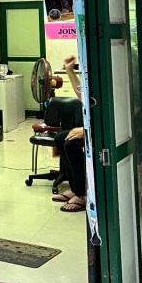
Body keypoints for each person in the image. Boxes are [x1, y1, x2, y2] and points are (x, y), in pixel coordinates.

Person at [52, 55, 85, 213]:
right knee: (60, 138)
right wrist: (70, 70)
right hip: (94, 124)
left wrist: (86, 131)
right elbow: (83, 96)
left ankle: (82, 194)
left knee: (71, 144)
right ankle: (75, 188)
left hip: (110, 128)